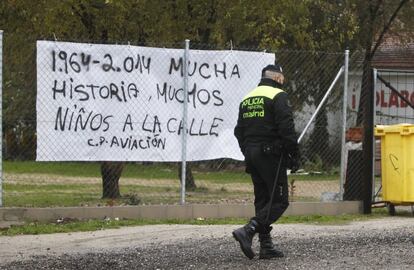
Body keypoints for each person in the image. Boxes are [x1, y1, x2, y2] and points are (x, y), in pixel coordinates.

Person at [233, 64, 300, 260]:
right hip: (271, 155)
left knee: (263, 200)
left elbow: (239, 131)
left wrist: (247, 151)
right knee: (279, 201)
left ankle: (266, 246)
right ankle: (249, 229)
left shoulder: (248, 98)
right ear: (278, 78)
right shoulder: (278, 96)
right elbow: (286, 128)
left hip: (252, 154)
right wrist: (294, 155)